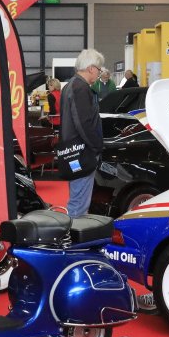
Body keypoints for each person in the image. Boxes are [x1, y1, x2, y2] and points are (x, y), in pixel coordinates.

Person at [59, 49, 106, 217]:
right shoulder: (81, 88)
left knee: (77, 198)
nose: (99, 74)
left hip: (72, 150)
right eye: (99, 70)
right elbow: (83, 123)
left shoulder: (70, 85)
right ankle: (73, 231)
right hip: (81, 151)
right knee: (79, 204)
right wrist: (97, 146)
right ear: (91, 68)